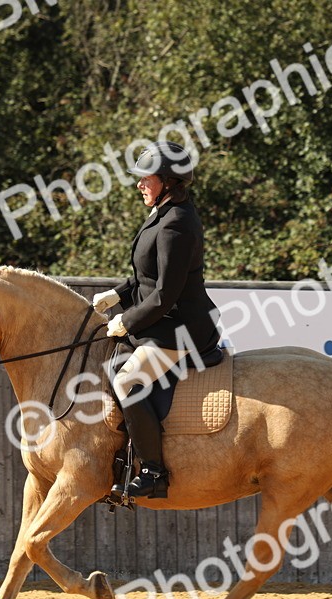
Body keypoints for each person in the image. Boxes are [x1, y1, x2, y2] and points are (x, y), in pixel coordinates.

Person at [91, 141, 221, 498]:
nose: (140, 185)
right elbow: (146, 277)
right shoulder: (162, 212)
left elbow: (166, 294)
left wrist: (127, 321)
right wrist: (117, 294)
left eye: (146, 178)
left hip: (182, 329)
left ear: (168, 180)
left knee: (128, 382)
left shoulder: (177, 224)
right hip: (161, 320)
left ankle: (153, 471)